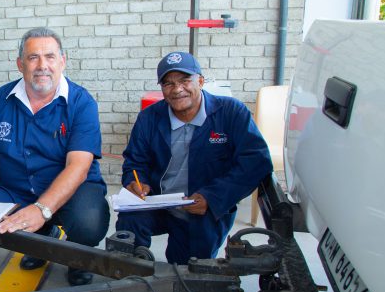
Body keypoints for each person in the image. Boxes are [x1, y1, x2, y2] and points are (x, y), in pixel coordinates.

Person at [0, 27, 110, 286]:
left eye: (50, 57)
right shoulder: (2, 98)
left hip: (72, 189)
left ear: (62, 61)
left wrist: (42, 209)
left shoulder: (81, 102)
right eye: (33, 58)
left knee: (88, 223)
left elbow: (79, 167)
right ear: (20, 64)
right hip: (16, 187)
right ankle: (42, 240)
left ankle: (78, 258)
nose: (42, 65)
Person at [116, 51, 273, 265]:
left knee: (187, 280)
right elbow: (135, 160)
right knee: (129, 223)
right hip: (158, 203)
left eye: (185, 80)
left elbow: (256, 162)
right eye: (168, 83)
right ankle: (132, 270)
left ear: (200, 81)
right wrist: (136, 181)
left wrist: (213, 197)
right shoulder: (149, 118)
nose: (177, 89)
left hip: (202, 209)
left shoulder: (231, 112)